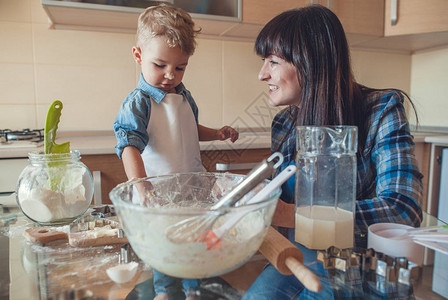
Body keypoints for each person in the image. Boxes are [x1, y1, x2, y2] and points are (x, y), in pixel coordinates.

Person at [242, 5, 423, 299]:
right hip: (301, 255)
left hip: (359, 265)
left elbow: (403, 209)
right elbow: (282, 202)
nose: (262, 74)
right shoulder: (284, 123)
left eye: (273, 62)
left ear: (310, 62)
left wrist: (292, 215)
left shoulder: (382, 110)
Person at [113, 5, 239, 300]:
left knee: (194, 242)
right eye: (160, 65)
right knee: (166, 244)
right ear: (138, 56)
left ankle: (193, 290)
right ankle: (165, 292)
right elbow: (129, 145)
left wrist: (215, 133)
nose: (171, 75)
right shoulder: (138, 102)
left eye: (180, 67)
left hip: (192, 188)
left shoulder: (184, 96)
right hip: (158, 192)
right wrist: (141, 186)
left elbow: (188, 130)